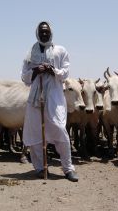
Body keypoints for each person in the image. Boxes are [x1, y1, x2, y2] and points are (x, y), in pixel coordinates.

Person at [21, 21, 78, 182]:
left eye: (46, 31)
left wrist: (52, 70)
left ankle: (68, 169)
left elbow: (65, 72)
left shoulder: (60, 51)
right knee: (35, 133)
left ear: (51, 32)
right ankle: (40, 168)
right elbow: (24, 76)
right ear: (37, 33)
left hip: (54, 96)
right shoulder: (30, 53)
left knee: (60, 129)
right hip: (35, 97)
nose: (44, 34)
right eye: (41, 32)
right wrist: (35, 70)